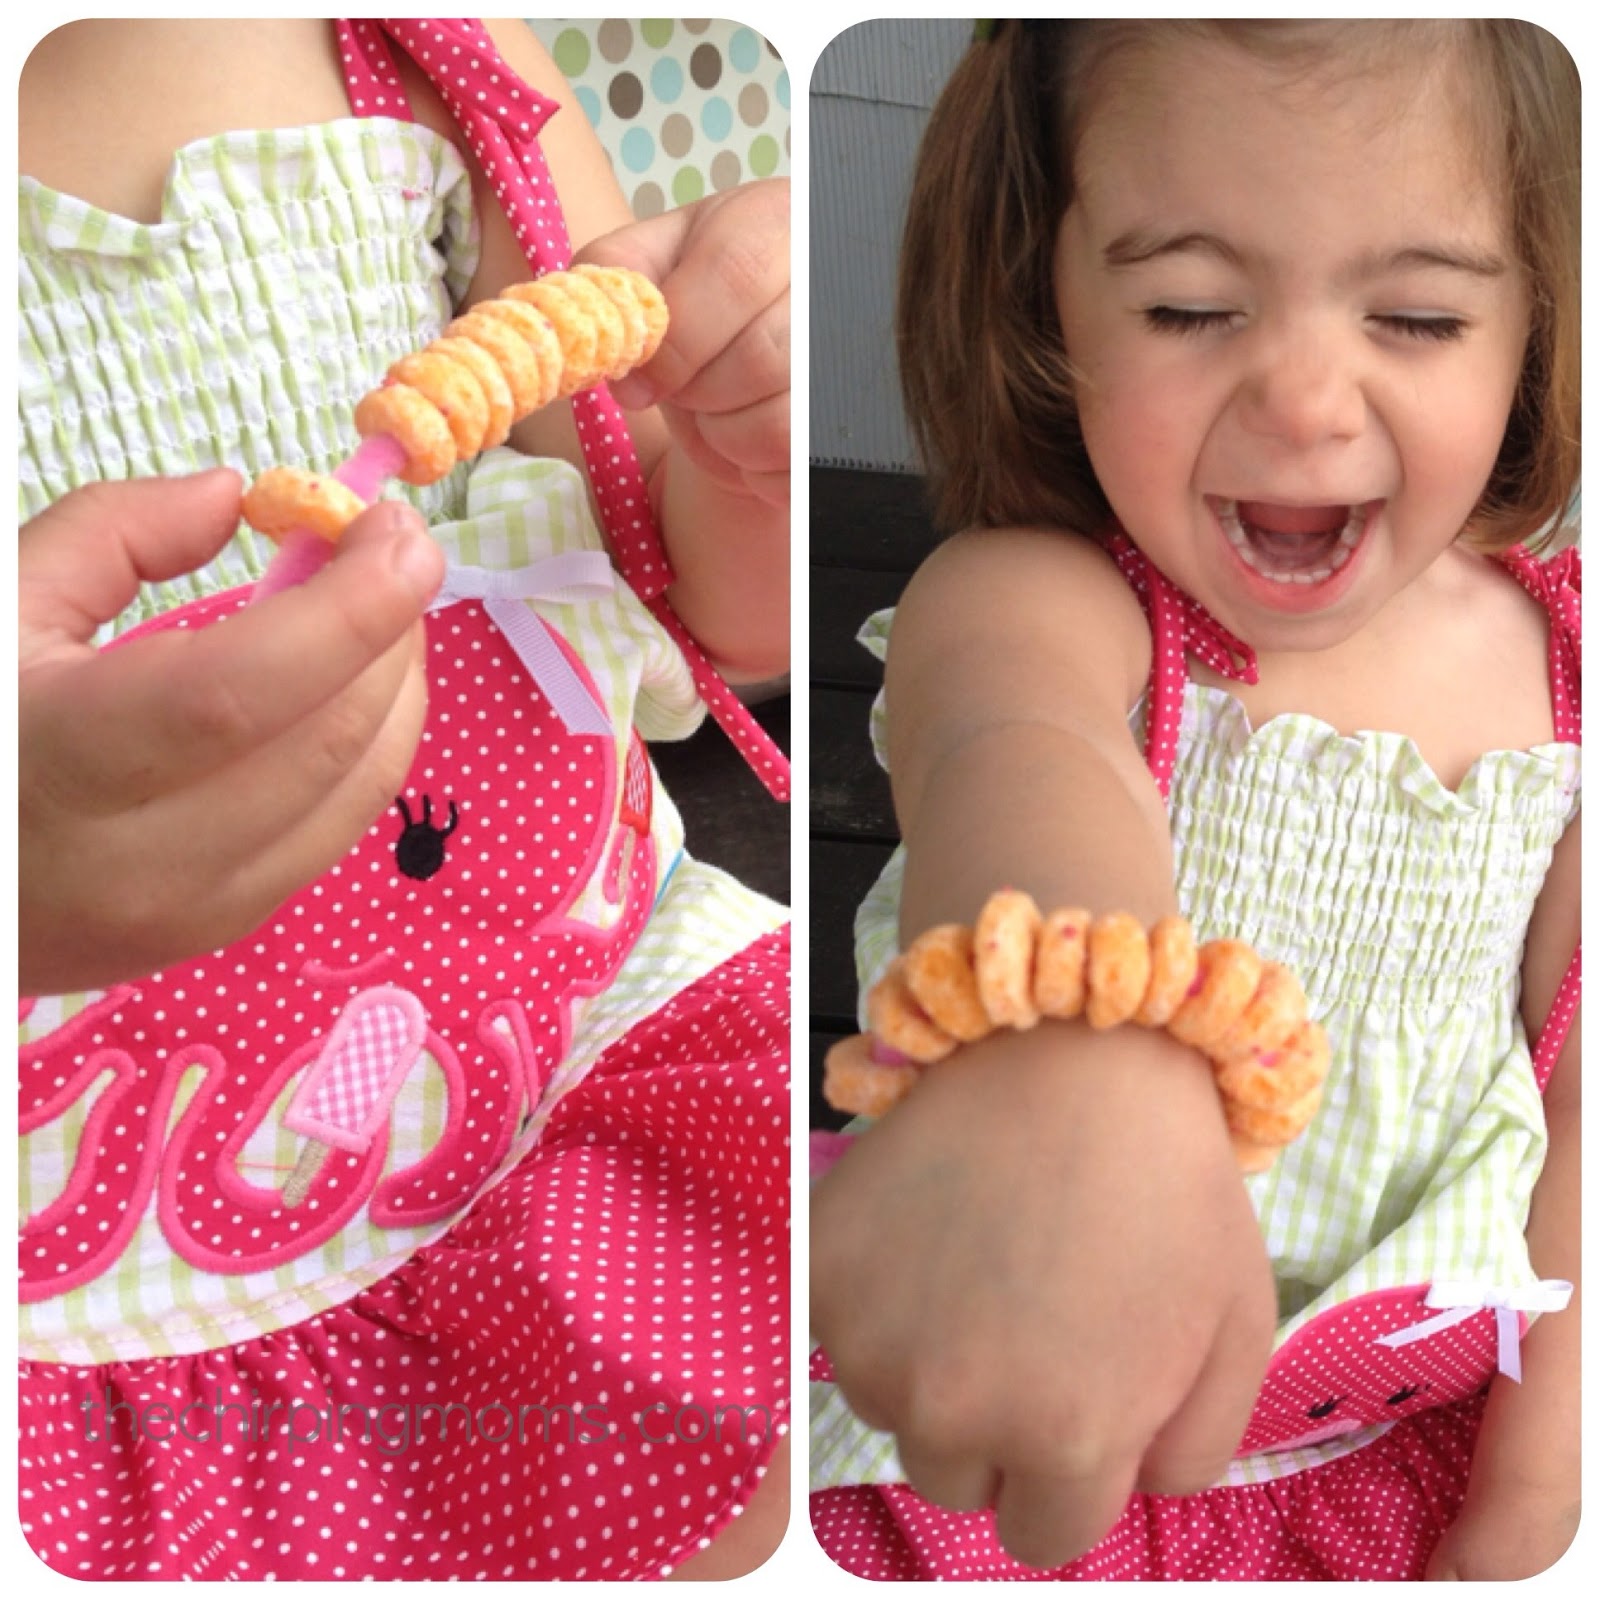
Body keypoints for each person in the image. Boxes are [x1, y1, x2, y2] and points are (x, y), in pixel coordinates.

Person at [17, 18, 789, 1580]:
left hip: (570, 1054)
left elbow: (704, 593)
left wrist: (750, 437)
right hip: (89, 1280)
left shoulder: (423, 40)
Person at [810, 18, 1579, 1583]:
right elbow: (1018, 762)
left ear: (1536, 330)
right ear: (1047, 306)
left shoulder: (1561, 673)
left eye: (1419, 319)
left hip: (1399, 1453)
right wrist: (1086, 1054)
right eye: (1190, 306)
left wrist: (1537, 1477)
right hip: (1010, 1444)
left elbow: (1581, 1094)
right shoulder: (1035, 603)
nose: (1305, 397)